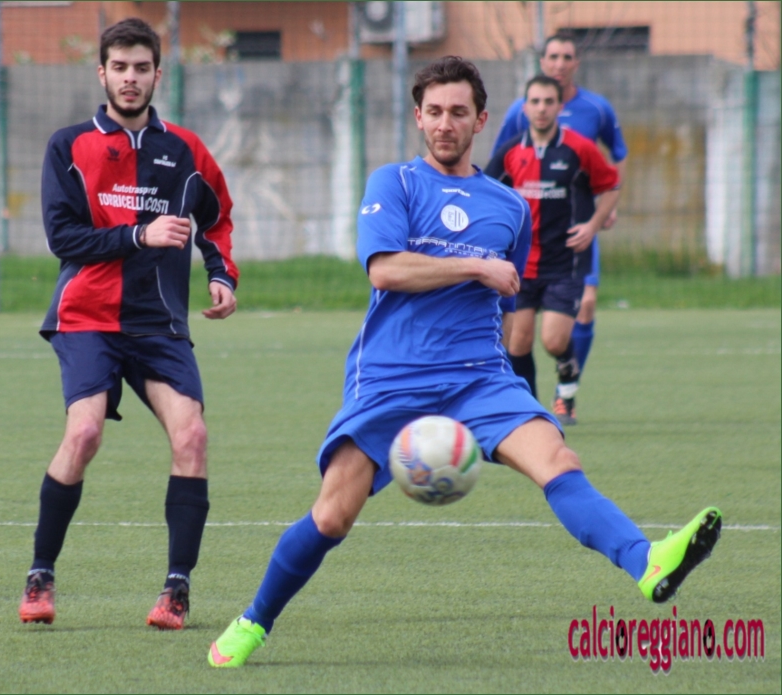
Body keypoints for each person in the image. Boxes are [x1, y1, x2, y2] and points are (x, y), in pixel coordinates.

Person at [207, 56, 720, 668]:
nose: (444, 123)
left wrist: (512, 378)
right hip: (391, 378)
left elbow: (507, 301)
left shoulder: (509, 208)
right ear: (418, 118)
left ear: (480, 120)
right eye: (434, 112)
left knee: (559, 460)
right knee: (334, 515)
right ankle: (253, 621)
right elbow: (385, 270)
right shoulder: (394, 184)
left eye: (457, 112)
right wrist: (475, 265)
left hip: (479, 379)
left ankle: (646, 561)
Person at [18, 18, 239, 631]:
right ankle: (41, 573)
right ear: (103, 73)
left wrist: (221, 274)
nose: (131, 78)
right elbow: (63, 237)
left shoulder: (186, 151)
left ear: (157, 74)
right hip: (87, 316)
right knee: (85, 433)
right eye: (120, 67)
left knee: (192, 436)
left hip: (159, 323)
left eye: (142, 68)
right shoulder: (68, 146)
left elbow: (216, 219)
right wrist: (141, 234)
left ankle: (177, 589)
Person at [491, 32, 628, 423]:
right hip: (521, 260)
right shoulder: (511, 149)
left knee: (553, 339)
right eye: (534, 102)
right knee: (517, 341)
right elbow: (487, 188)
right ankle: (531, 412)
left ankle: (566, 379)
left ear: (558, 105)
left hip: (564, 259)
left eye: (548, 102)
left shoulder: (581, 143)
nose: (541, 108)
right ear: (525, 107)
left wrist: (595, 223)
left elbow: (613, 181)